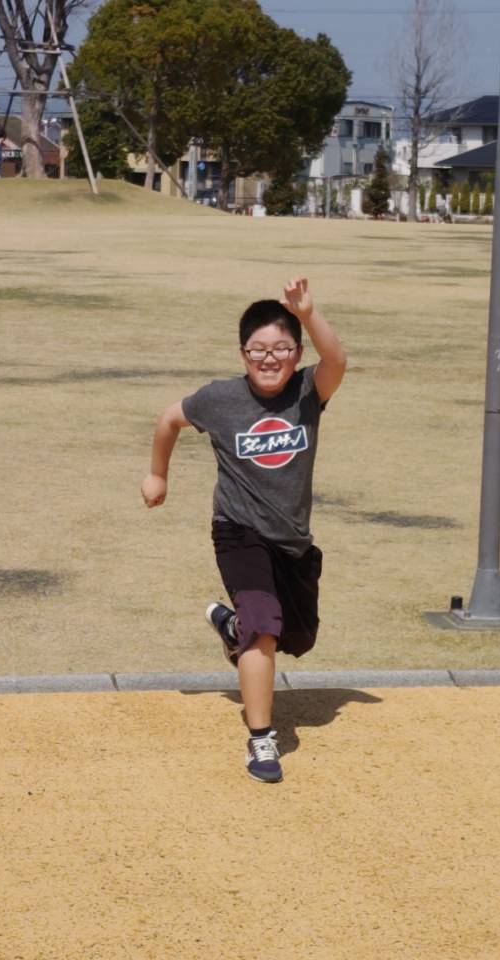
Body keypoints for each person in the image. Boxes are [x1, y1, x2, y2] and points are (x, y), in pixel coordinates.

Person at [140, 278, 347, 784]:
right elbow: (169, 419)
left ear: (297, 354)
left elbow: (337, 361)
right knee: (264, 629)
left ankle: (233, 628)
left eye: (281, 348)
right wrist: (157, 474)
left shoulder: (307, 392)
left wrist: (309, 314)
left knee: (297, 635)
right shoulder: (220, 399)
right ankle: (261, 740)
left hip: (291, 538)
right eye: (258, 349)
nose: (269, 358)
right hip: (238, 531)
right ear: (242, 354)